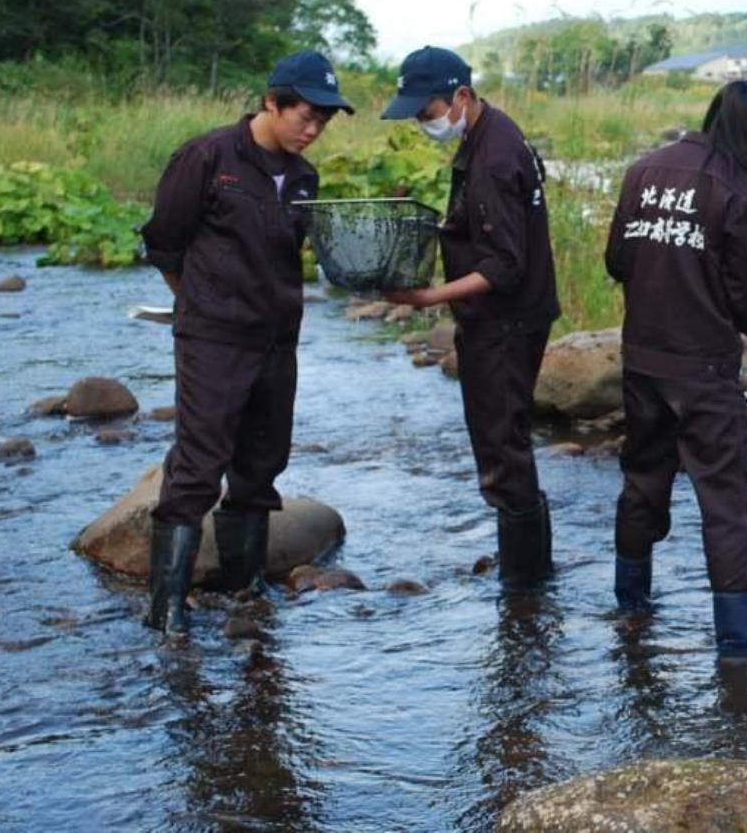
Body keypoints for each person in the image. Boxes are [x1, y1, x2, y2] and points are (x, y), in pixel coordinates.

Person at [140, 49, 353, 634]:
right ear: (271, 101)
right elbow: (163, 243)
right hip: (213, 337)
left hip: (278, 340)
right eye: (306, 116)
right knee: (198, 464)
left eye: (323, 122)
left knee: (261, 464)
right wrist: (201, 303)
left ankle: (244, 590)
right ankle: (165, 610)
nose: (313, 131)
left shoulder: (306, 179)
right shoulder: (208, 157)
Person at [604, 79, 747, 661]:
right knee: (726, 502)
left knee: (643, 482)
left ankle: (631, 609)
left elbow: (618, 260)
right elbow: (746, 297)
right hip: (706, 371)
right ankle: (739, 651)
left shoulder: (646, 169)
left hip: (643, 361)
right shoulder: (740, 192)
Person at [381, 46, 560, 593]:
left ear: (461, 96)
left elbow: (504, 266)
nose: (422, 122)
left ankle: (525, 587)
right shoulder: (491, 130)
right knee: (507, 440)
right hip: (515, 317)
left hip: (506, 322)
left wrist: (428, 297)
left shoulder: (494, 159)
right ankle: (530, 577)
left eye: (426, 111)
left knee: (502, 447)